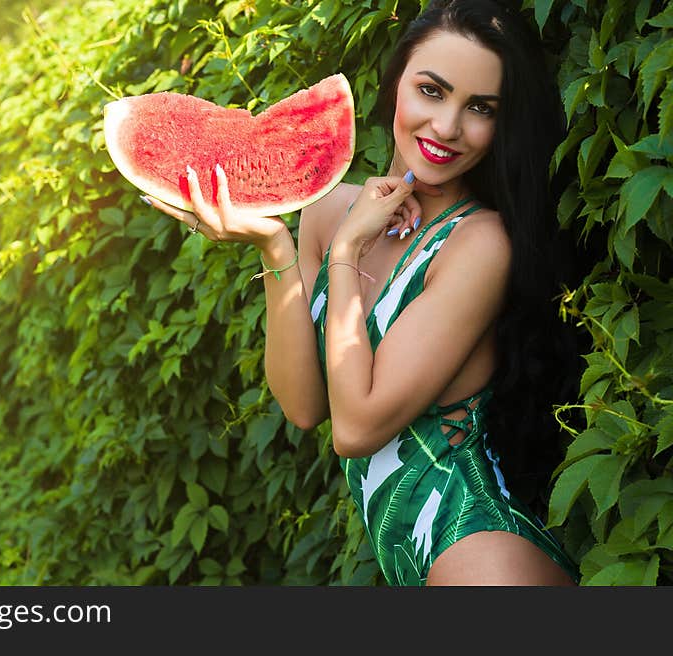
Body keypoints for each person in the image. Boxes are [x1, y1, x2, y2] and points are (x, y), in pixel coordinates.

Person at [142, 0, 582, 586]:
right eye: (431, 91)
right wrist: (274, 246)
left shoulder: (478, 244)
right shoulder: (329, 210)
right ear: (396, 83)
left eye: (480, 108)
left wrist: (346, 255)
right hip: (415, 564)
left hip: (481, 556)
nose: (447, 127)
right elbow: (304, 407)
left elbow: (354, 429)